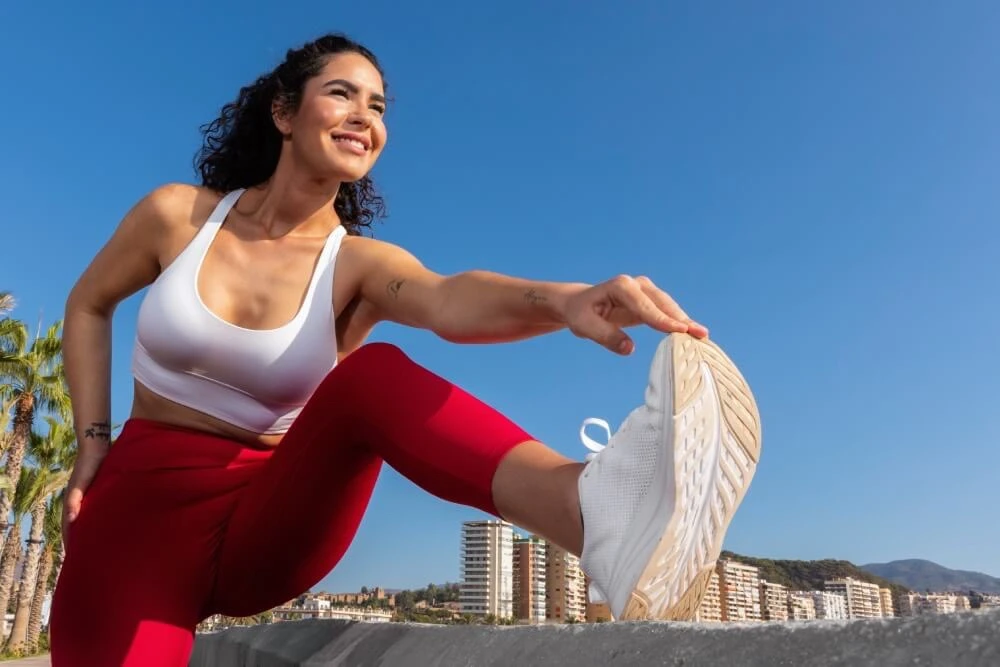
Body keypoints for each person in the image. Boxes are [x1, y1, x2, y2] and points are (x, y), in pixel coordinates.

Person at [49, 33, 761, 666]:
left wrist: (565, 299)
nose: (366, 116)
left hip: (265, 513)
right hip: (134, 520)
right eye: (342, 94)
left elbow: (449, 298)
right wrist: (92, 440)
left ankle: (590, 510)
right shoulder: (177, 215)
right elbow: (88, 302)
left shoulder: (353, 264)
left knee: (370, 377)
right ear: (283, 113)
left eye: (379, 105)